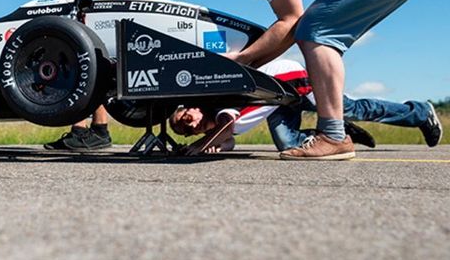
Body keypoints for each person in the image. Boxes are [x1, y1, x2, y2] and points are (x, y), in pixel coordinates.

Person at [200, 0, 432, 160]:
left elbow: (291, 20)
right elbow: (292, 29)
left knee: (316, 33)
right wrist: (252, 64)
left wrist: (243, 58)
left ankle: (333, 136)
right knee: (312, 30)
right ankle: (342, 131)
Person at [9, 0, 129, 151]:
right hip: (93, 0)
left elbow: (72, 7)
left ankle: (95, 130)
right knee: (78, 57)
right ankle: (86, 130)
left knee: (80, 60)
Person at [169, 58, 443, 155]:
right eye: (183, 129)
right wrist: (208, 145)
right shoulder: (216, 129)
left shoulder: (218, 107)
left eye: (184, 116)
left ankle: (420, 112)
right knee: (288, 145)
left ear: (193, 107)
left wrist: (204, 144)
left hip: (288, 82)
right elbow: (227, 142)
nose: (187, 122)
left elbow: (226, 126)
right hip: (277, 104)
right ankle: (341, 131)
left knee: (350, 107)